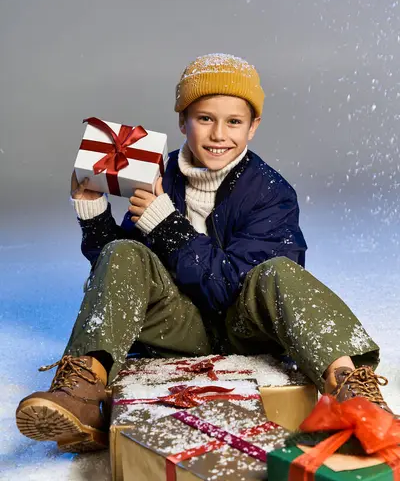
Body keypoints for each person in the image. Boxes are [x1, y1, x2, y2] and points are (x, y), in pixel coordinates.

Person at [16, 53, 391, 453]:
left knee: (280, 270)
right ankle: (83, 391)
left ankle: (352, 390)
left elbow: (231, 288)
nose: (218, 134)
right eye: (205, 118)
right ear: (183, 121)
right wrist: (93, 215)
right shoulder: (159, 177)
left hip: (247, 327)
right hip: (177, 329)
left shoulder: (271, 193)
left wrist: (168, 226)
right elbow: (124, 276)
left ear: (253, 128)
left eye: (234, 122)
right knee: (125, 249)